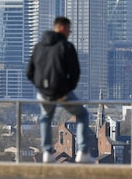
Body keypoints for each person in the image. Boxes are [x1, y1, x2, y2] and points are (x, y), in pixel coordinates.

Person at [26, 16, 94, 164]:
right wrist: (66, 89)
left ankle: (47, 154)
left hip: (44, 93)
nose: (70, 32)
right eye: (69, 29)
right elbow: (75, 72)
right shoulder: (66, 46)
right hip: (62, 92)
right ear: (62, 28)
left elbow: (29, 72)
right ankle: (83, 152)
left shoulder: (38, 46)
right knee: (82, 115)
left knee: (45, 118)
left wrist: (41, 87)